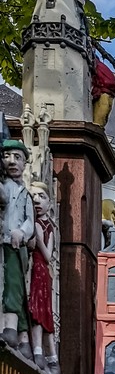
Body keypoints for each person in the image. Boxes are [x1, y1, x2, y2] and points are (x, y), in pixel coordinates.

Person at [0, 138, 35, 350]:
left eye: (17, 157)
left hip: (13, 245)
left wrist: (21, 232)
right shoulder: (4, 185)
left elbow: (29, 221)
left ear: (24, 163)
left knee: (14, 284)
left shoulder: (25, 194)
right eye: (6, 156)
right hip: (2, 241)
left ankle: (12, 328)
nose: (12, 161)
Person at [24, 181, 59, 374]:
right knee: (42, 310)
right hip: (40, 270)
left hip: (39, 270)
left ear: (49, 204)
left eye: (41, 196)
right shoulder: (46, 226)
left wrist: (37, 239)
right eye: (33, 196)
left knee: (39, 310)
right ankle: (50, 355)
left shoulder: (41, 225)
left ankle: (39, 350)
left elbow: (47, 255)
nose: (36, 200)